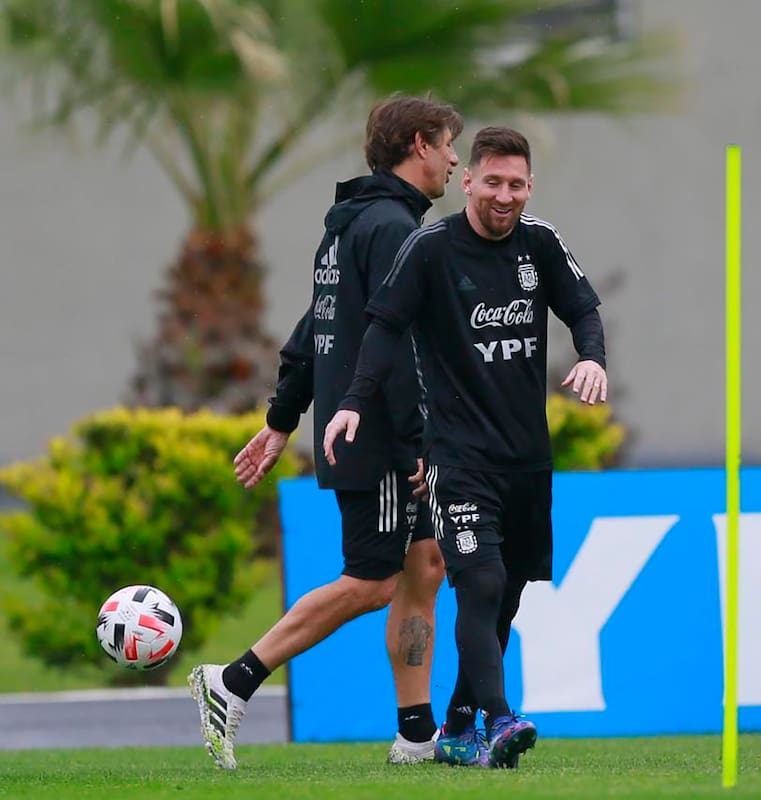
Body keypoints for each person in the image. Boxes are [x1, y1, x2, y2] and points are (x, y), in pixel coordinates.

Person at [188, 94, 464, 770]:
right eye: (450, 144)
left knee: (424, 566)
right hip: (381, 440)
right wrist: (416, 445)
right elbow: (392, 347)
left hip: (372, 430)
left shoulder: (351, 227)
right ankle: (232, 681)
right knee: (371, 582)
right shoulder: (393, 230)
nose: (457, 159)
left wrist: (281, 420)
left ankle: (416, 734)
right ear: (420, 145)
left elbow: (315, 330)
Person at [324, 126, 607, 769]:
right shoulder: (430, 249)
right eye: (493, 182)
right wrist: (351, 403)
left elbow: (584, 309)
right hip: (455, 458)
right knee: (479, 582)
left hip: (527, 460)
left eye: (517, 185)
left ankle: (456, 725)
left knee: (505, 594)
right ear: (470, 181)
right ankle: (501, 720)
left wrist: (592, 357)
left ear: (529, 187)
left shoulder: (542, 244)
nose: (504, 196)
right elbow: (384, 327)